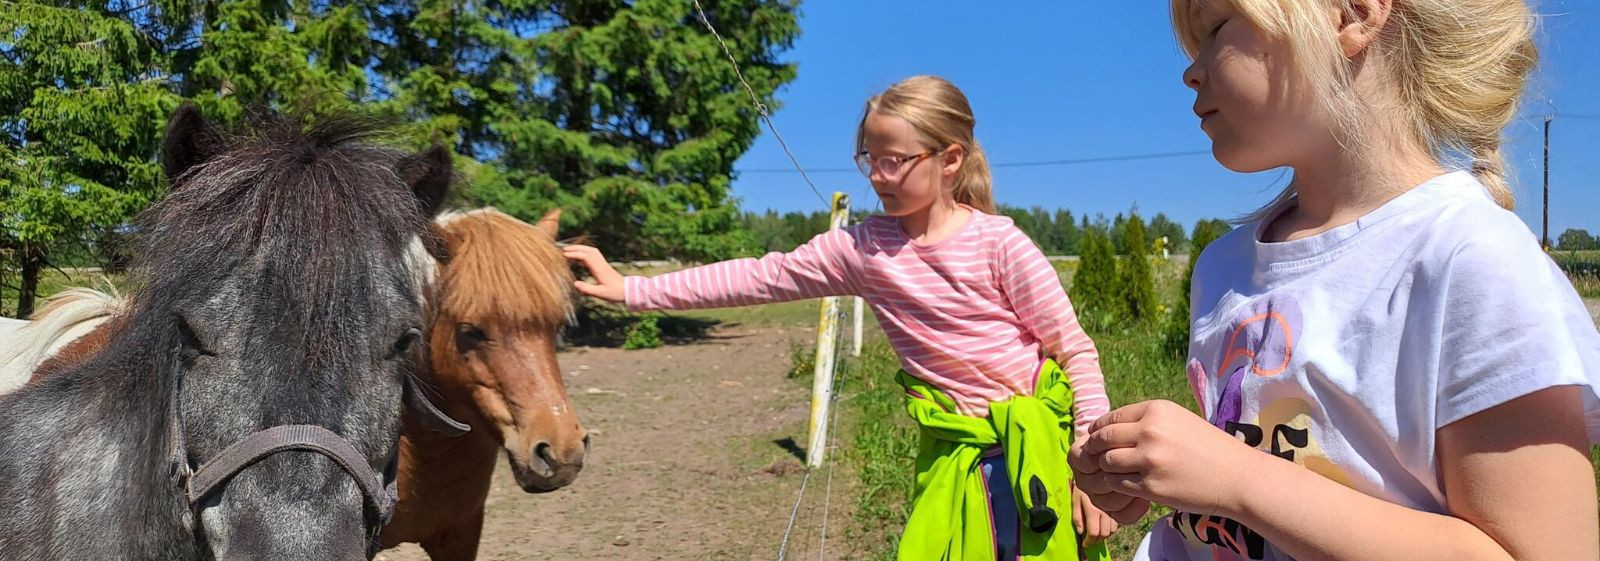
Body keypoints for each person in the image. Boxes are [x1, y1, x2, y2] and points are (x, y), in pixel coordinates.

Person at [1069, 1, 1600, 560]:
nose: (1192, 70)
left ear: (1352, 14)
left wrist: (1232, 478)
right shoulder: (1223, 268)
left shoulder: (1471, 259)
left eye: (1218, 28)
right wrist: (1157, 474)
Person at [565, 75, 1117, 560]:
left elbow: (1075, 351)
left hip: (1039, 458)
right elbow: (758, 276)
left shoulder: (1000, 244)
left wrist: (1094, 473)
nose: (877, 177)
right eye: (869, 160)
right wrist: (632, 290)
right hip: (951, 460)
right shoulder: (861, 250)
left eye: (894, 161)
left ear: (949, 160)